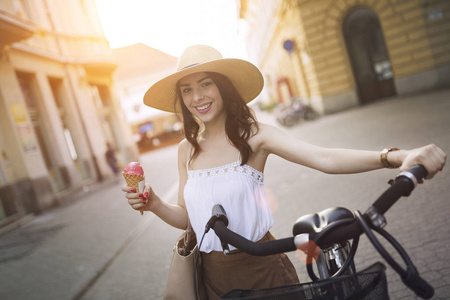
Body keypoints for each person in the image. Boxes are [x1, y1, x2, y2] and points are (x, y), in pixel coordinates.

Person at [122, 45, 446, 299]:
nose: (197, 97)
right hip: (212, 278)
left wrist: (396, 156)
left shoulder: (255, 135)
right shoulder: (186, 150)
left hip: (263, 270)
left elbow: (324, 158)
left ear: (223, 87)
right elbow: (190, 219)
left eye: (206, 84)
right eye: (187, 90)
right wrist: (154, 205)